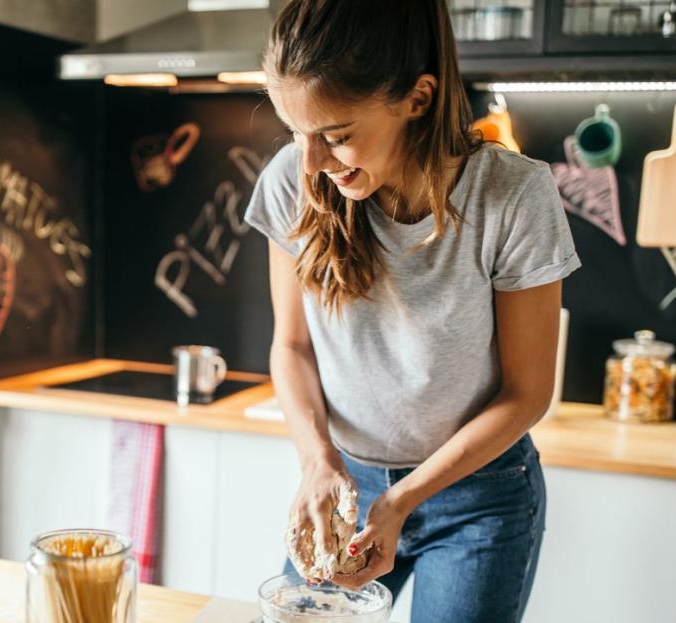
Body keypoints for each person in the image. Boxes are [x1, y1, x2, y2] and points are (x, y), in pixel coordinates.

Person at [243, 1, 581, 621]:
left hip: (479, 498)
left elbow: (528, 392)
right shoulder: (294, 180)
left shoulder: (511, 196)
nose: (311, 162)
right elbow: (290, 347)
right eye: (297, 134)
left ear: (418, 98)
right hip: (348, 483)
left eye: (336, 136)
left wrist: (404, 500)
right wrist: (317, 460)